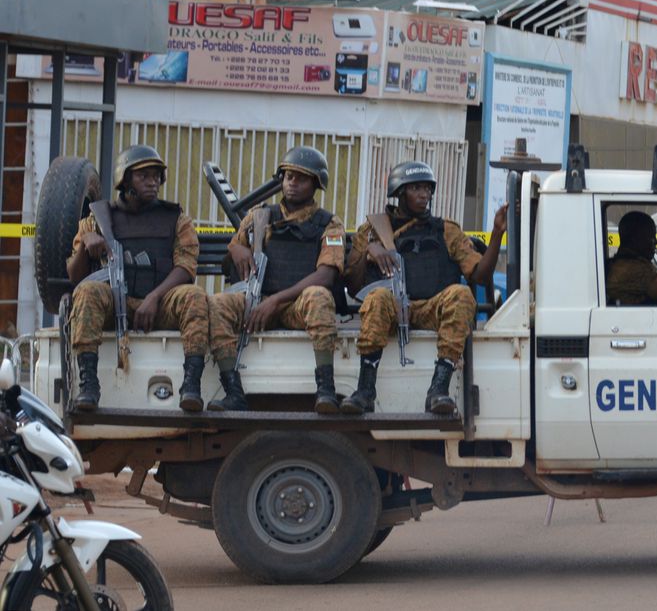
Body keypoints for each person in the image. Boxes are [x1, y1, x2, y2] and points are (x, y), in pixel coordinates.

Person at [344, 161, 507, 415]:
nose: (424, 195)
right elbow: (352, 284)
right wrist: (368, 251)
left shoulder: (446, 230)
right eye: (416, 188)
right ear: (399, 194)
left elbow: (480, 275)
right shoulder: (373, 230)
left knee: (461, 294)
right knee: (376, 298)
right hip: (393, 309)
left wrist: (496, 233)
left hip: (433, 309)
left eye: (428, 189)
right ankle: (365, 390)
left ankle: (438, 389)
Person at [65, 145, 209, 412]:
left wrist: (154, 297)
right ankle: (88, 385)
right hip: (114, 302)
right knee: (87, 293)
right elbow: (75, 277)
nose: (153, 181)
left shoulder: (176, 218)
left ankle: (191, 384)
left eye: (156, 176)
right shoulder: (97, 219)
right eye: (144, 176)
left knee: (195, 296)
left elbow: (186, 268)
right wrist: (87, 243)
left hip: (161, 303)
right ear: (125, 179)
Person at [207, 146, 346, 413]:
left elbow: (326, 274)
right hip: (256, 301)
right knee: (218, 304)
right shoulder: (260, 216)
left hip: (295, 306)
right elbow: (231, 260)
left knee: (319, 296)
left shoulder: (329, 223)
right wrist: (236, 249)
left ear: (316, 184)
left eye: (301, 178)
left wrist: (276, 302)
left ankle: (326, 389)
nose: (292, 183)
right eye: (288, 176)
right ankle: (233, 391)